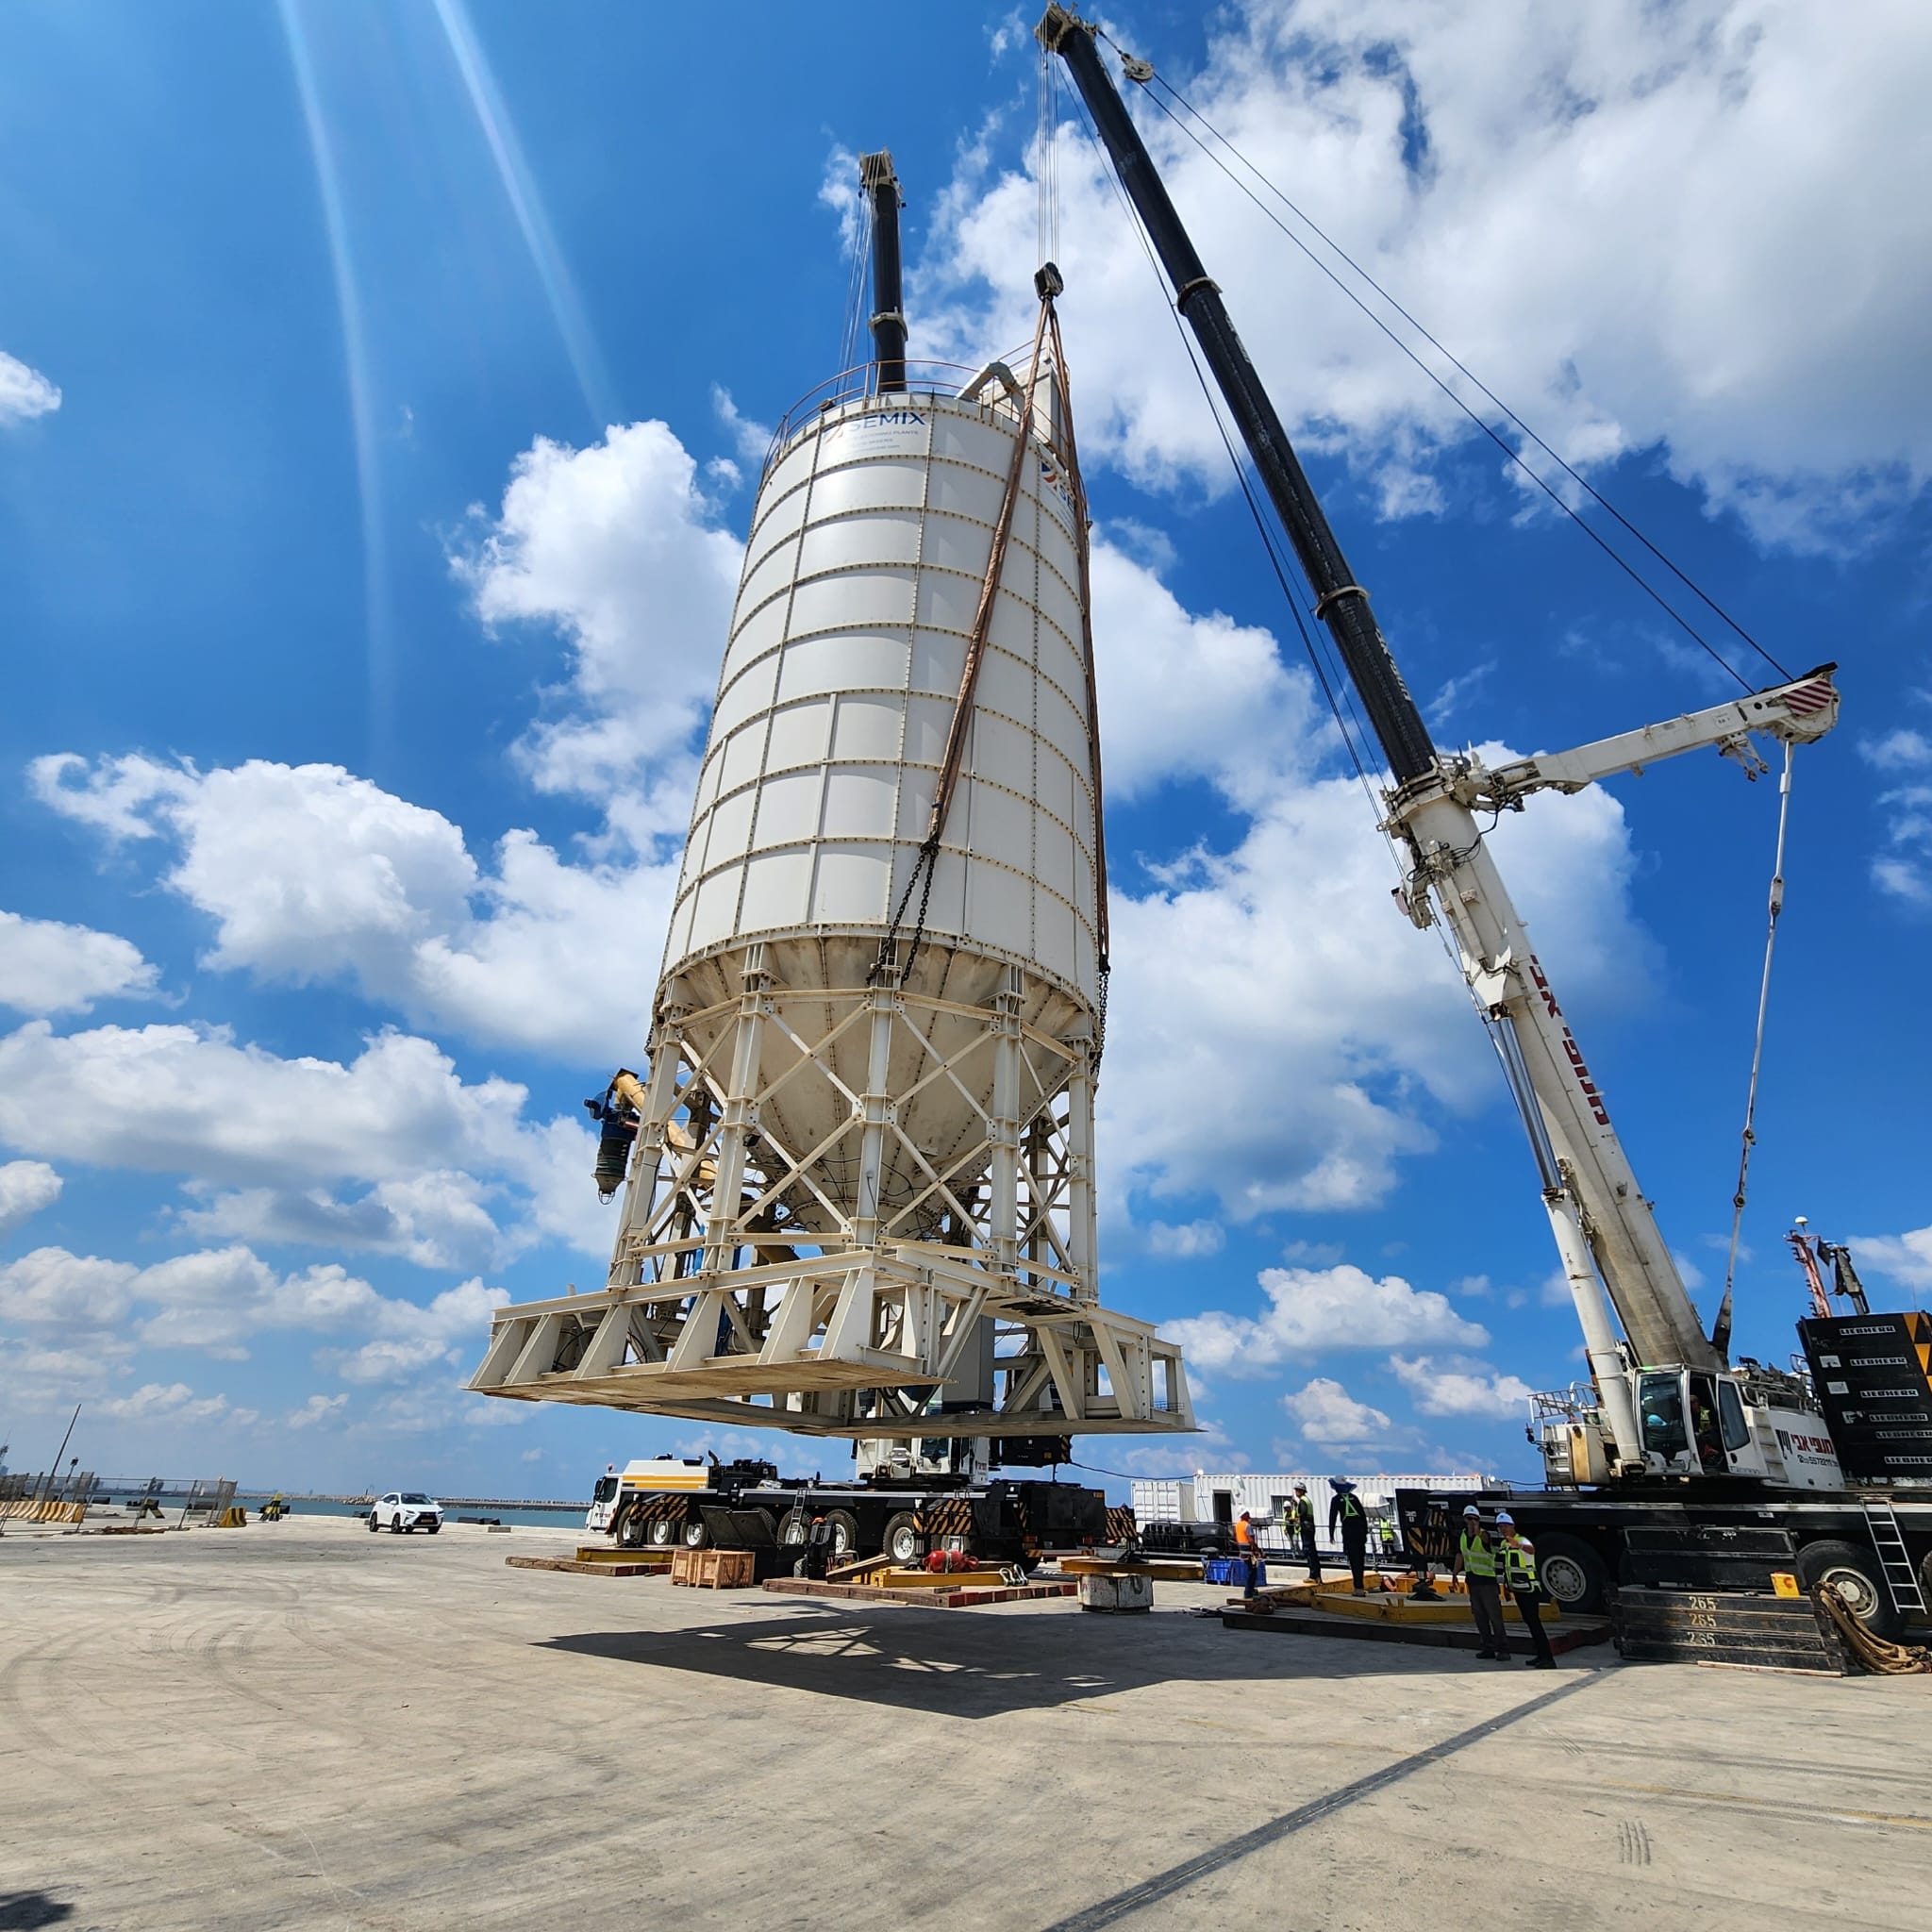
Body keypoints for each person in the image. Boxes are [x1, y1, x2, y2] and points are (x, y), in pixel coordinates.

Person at [1452, 1504, 1509, 1660]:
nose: (1472, 1521)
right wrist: (1455, 1573)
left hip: (1487, 1582)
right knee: (1480, 1617)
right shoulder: (1463, 1536)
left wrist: (1476, 1529)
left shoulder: (1484, 1535)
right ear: (1464, 1519)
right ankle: (1487, 1648)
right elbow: (1460, 1555)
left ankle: (1503, 1649)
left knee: (1495, 1617)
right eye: (1469, 1518)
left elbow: (1484, 1539)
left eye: (1475, 1519)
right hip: (1473, 1581)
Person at [1497, 1512, 1556, 1668]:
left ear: (1512, 1526)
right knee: (1530, 1622)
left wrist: (1519, 1545)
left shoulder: (1522, 1540)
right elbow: (1507, 1567)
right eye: (1501, 1527)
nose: (1503, 1529)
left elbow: (1531, 1550)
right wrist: (1507, 1587)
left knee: (1535, 1623)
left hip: (1530, 1589)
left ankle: (1548, 1658)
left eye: (1506, 1526)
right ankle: (1540, 1655)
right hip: (1518, 1589)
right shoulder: (1503, 1544)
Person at [1328, 1478, 1371, 1593]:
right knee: (1360, 1559)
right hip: (1359, 1531)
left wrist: (1331, 1534)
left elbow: (1332, 1517)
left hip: (1348, 1531)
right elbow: (1363, 1516)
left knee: (1353, 1559)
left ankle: (1358, 1587)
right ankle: (1360, 1585)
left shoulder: (1336, 1500)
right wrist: (1365, 1533)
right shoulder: (1354, 1498)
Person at [1291, 1483, 1320, 1582]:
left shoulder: (1303, 1501)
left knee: (1308, 1551)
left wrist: (1295, 1519)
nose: (1296, 1492)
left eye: (1297, 1490)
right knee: (1313, 1552)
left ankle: (1313, 1576)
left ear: (1302, 1491)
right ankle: (1317, 1575)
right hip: (1310, 1527)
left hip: (1306, 1528)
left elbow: (1303, 1514)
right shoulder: (1307, 1500)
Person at [1232, 1509, 1260, 1597]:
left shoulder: (1237, 1525)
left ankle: (1249, 1591)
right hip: (1249, 1553)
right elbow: (1251, 1540)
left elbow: (1236, 1538)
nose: (1249, 1515)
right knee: (1252, 1573)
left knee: (1249, 1571)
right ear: (1244, 1515)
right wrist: (1258, 1550)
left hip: (1243, 1552)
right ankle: (1248, 1592)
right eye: (1247, 1514)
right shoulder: (1247, 1525)